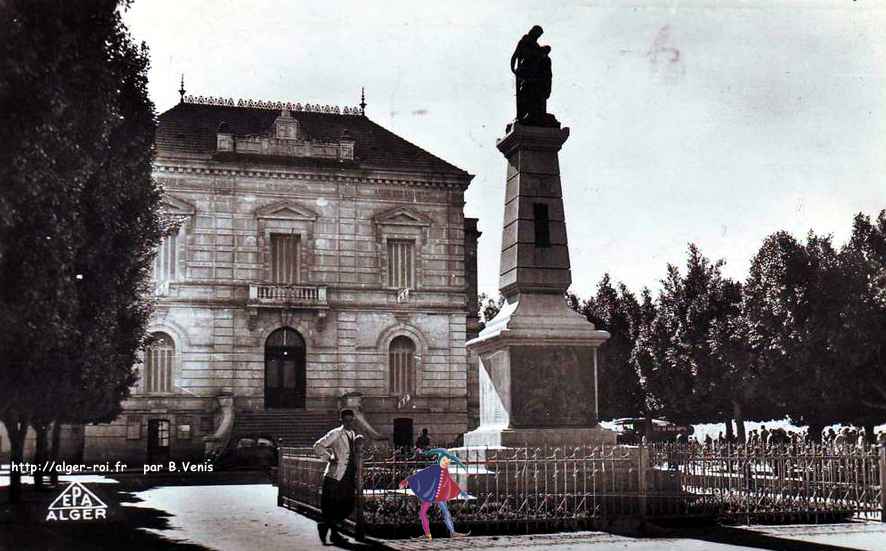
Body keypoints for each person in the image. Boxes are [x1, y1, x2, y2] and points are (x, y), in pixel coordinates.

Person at [313, 409, 362, 545]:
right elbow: (318, 446)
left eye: (351, 420)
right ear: (341, 421)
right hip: (335, 476)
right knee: (334, 506)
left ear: (353, 420)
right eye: (346, 420)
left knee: (348, 504)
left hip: (348, 475)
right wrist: (329, 458)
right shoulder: (336, 433)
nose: (349, 423)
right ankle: (334, 534)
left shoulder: (353, 433)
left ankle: (325, 526)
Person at [399, 448, 470, 540]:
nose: (446, 462)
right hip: (430, 494)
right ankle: (427, 534)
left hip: (439, 496)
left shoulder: (445, 471)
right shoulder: (434, 468)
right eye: (444, 460)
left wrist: (461, 492)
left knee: (446, 513)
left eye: (448, 461)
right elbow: (420, 474)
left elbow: (450, 482)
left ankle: (452, 532)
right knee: (423, 513)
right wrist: (406, 481)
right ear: (440, 460)